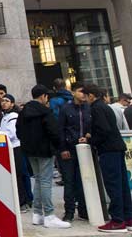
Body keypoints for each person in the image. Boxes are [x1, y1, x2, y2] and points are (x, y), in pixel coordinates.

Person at [17, 84, 70, 229]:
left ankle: (37, 214)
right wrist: (57, 145)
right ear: (43, 96)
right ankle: (49, 214)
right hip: (45, 151)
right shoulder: (45, 112)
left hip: (29, 151)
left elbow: (18, 133)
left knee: (39, 180)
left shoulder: (23, 112)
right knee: (45, 181)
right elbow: (54, 132)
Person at [83, 84, 132, 232]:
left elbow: (103, 130)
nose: (85, 99)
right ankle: (128, 218)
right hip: (117, 148)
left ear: (91, 95)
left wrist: (90, 139)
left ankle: (117, 220)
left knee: (113, 185)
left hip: (108, 150)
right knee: (122, 184)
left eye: (86, 96)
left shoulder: (96, 108)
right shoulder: (106, 107)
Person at [57, 82, 90, 222]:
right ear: (74, 92)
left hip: (85, 148)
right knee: (69, 181)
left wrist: (88, 136)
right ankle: (69, 211)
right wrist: (63, 148)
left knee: (85, 180)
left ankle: (84, 210)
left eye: (86, 92)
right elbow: (60, 129)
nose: (84, 95)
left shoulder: (89, 108)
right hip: (69, 149)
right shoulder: (66, 109)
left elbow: (92, 125)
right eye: (81, 91)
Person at [0, 94, 28, 213]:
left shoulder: (13, 116)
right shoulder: (5, 116)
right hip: (9, 147)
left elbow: (11, 134)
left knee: (17, 175)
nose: (3, 103)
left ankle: (22, 202)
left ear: (12, 104)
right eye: (2, 101)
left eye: (7, 101)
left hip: (15, 148)